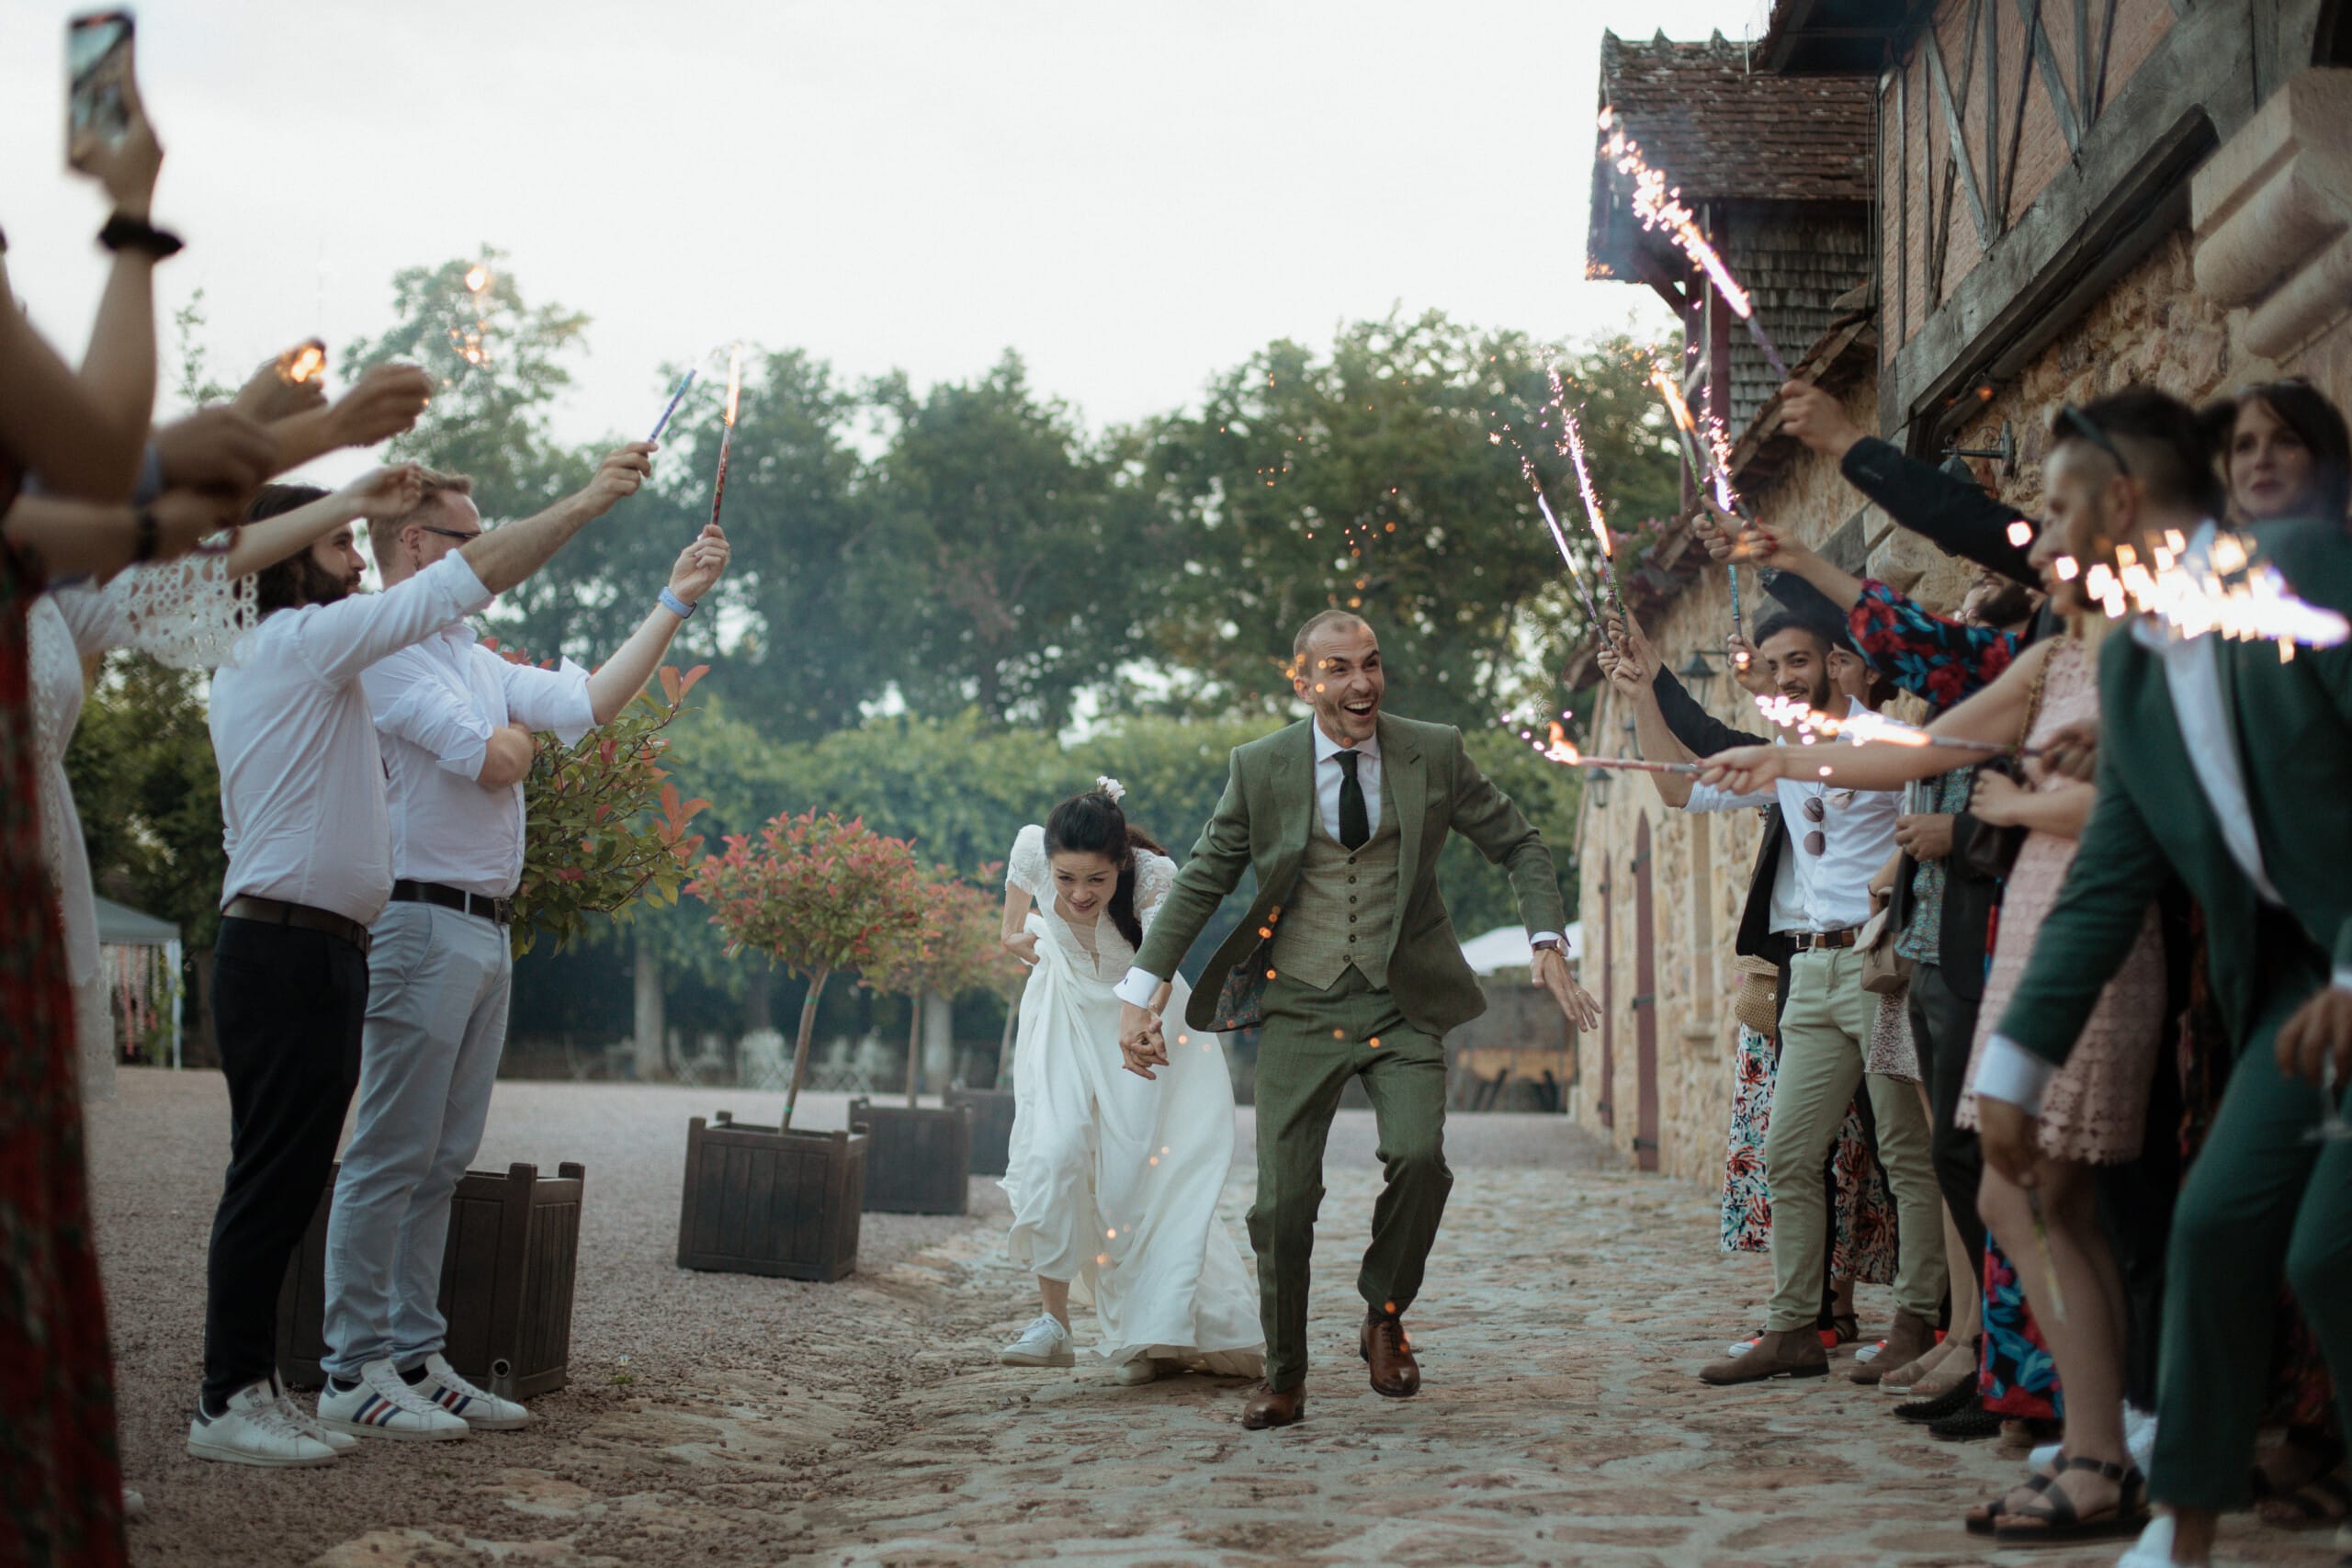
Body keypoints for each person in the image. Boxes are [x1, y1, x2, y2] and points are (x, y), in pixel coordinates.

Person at [189, 443, 656, 1467]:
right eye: (339, 543)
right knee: (281, 1176)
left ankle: (335, 1370)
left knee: (311, 1167)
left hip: (326, 940)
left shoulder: (325, 654)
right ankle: (264, 1389)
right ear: (286, 564)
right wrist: (588, 497)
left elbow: (526, 687)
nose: (358, 559)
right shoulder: (306, 642)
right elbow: (463, 600)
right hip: (287, 937)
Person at [1953, 389, 2352, 1568]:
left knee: (2330, 1247)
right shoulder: (2130, 666)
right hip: (2295, 994)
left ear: (2124, 502)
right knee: (2220, 1225)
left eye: (2063, 507)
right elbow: (2105, 880)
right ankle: (2177, 1539)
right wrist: (2014, 1075)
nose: (2047, 537)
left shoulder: (2301, 568)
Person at [311, 474, 729, 1440]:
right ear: (415, 544)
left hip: (483, 926)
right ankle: (351, 1367)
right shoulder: (386, 648)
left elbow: (587, 705)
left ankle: (414, 1354)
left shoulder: (467, 652)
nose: (493, 551)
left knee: (443, 1155)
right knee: (388, 1152)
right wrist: (512, 743)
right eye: (472, 535)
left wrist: (674, 600)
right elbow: (494, 760)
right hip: (418, 921)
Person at [1111, 611, 1597, 1429]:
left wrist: (1547, 938)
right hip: (1299, 1001)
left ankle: (1384, 1310)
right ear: (1303, 681)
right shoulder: (1260, 767)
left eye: (1371, 663)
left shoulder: (1433, 750)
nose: (1362, 682)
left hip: (1400, 996)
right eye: (1338, 668)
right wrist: (1141, 986)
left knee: (1419, 1156)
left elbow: (1519, 843)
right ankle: (1285, 1372)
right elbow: (1201, 878)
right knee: (1282, 1204)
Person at [1615, 610, 1947, 1387]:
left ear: (1836, 661)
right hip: (1811, 977)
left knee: (1905, 1151)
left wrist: (1775, 758)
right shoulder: (1780, 757)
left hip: (1879, 968)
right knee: (1787, 1154)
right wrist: (1640, 697)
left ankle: (1917, 1318)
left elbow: (1869, 779)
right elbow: (1672, 792)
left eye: (1798, 660)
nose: (1786, 677)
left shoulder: (1880, 740)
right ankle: (1796, 1326)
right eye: (1772, 666)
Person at [993, 782, 1264, 1385]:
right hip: (1063, 1015)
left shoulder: (1153, 875)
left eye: (1096, 880)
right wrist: (1025, 936)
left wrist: (1140, 1021)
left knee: (1136, 1179)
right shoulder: (1032, 849)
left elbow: (1161, 963)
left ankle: (1154, 1328)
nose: (1079, 893)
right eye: (1065, 880)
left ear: (1120, 863)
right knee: (1055, 1148)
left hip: (1145, 1020)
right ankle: (1052, 1321)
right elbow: (1010, 928)